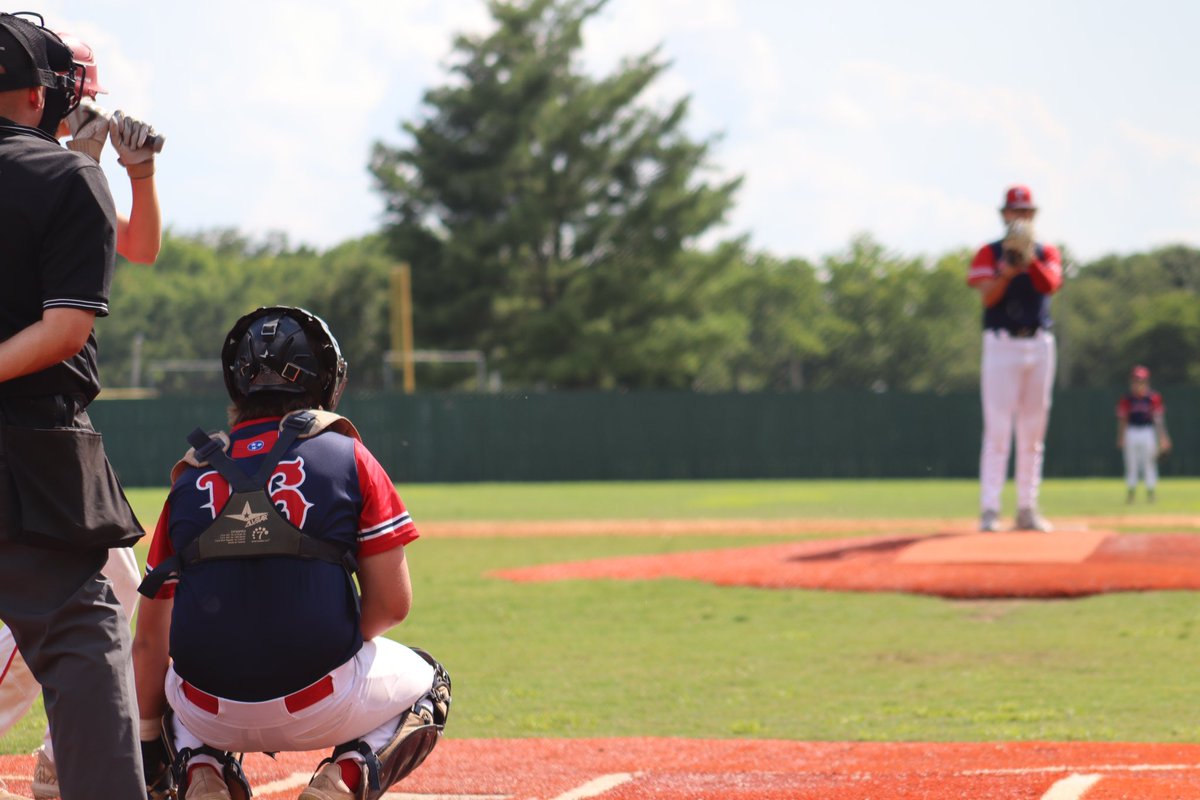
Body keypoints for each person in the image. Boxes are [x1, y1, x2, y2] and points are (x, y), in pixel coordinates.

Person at [133, 306, 451, 800]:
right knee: (432, 683)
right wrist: (323, 638)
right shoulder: (349, 457)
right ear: (326, 380)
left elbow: (149, 642)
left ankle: (201, 770)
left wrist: (148, 741)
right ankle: (344, 778)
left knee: (171, 682)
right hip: (322, 700)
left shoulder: (190, 477)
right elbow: (392, 605)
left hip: (207, 709)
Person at [0, 30, 165, 800]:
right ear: (43, 94)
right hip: (33, 432)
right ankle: (77, 764)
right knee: (76, 625)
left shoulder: (68, 171)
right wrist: (99, 165)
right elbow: (67, 320)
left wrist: (133, 172)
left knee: (116, 592)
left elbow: (137, 245)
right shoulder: (61, 174)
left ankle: (64, 759)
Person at [967, 185, 1064, 532]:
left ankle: (1027, 509)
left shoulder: (1045, 251)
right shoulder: (990, 253)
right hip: (1001, 344)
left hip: (1038, 344)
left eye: (1026, 212)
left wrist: (1030, 259)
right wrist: (1007, 269)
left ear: (1033, 216)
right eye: (1015, 211)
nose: (1020, 217)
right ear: (1004, 214)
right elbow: (987, 298)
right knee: (997, 431)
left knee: (1033, 433)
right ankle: (990, 510)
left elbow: (1050, 284)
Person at [1117, 364, 1171, 503]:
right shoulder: (1127, 399)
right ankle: (1131, 493)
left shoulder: (1153, 398)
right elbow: (1123, 419)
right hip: (1132, 431)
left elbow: (1158, 420)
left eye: (1141, 381)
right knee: (1131, 464)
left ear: (1146, 382)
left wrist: (1163, 438)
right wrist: (1121, 436)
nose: (1138, 384)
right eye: (1136, 381)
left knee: (1149, 463)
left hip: (1147, 431)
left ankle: (1150, 492)